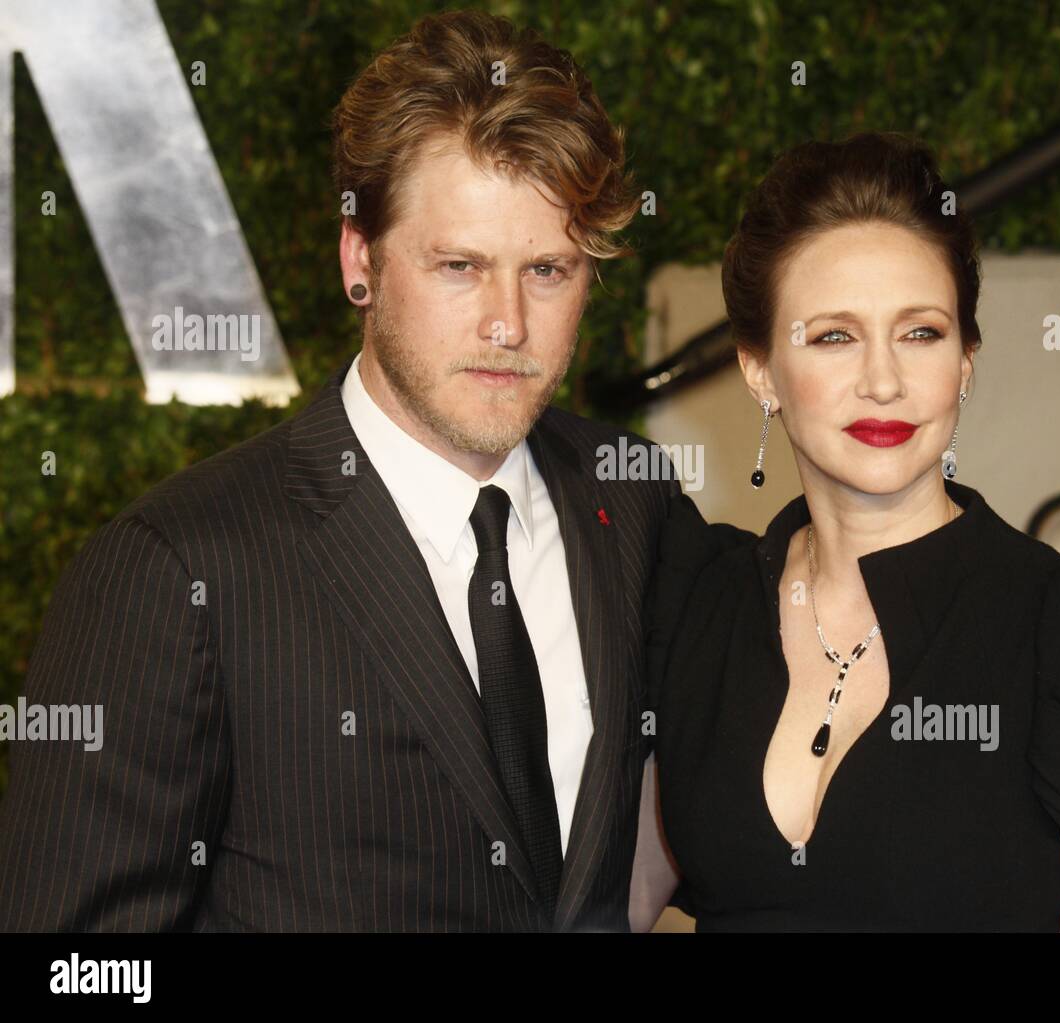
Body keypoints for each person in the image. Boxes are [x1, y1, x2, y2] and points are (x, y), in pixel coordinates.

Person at [0, 9, 664, 933]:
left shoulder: (633, 497)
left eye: (547, 270)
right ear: (361, 258)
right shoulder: (176, 568)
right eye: (460, 265)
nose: (507, 322)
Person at [632, 131, 1060, 931]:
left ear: (966, 360)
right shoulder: (698, 606)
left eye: (921, 332)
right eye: (834, 335)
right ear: (760, 370)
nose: (883, 379)